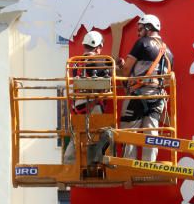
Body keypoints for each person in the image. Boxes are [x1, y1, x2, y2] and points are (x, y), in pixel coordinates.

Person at [120, 14, 173, 161]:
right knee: (151, 131)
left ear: (148, 27)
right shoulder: (168, 52)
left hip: (138, 94)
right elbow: (167, 79)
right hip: (158, 97)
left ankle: (128, 163)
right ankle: (149, 164)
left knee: (129, 130)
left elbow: (126, 70)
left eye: (140, 28)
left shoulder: (142, 43)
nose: (138, 32)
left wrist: (124, 73)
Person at [64, 30, 110, 164]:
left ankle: (69, 163)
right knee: (100, 134)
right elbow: (107, 82)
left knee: (78, 135)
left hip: (78, 107)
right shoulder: (100, 61)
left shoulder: (76, 62)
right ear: (97, 46)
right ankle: (94, 162)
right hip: (93, 106)